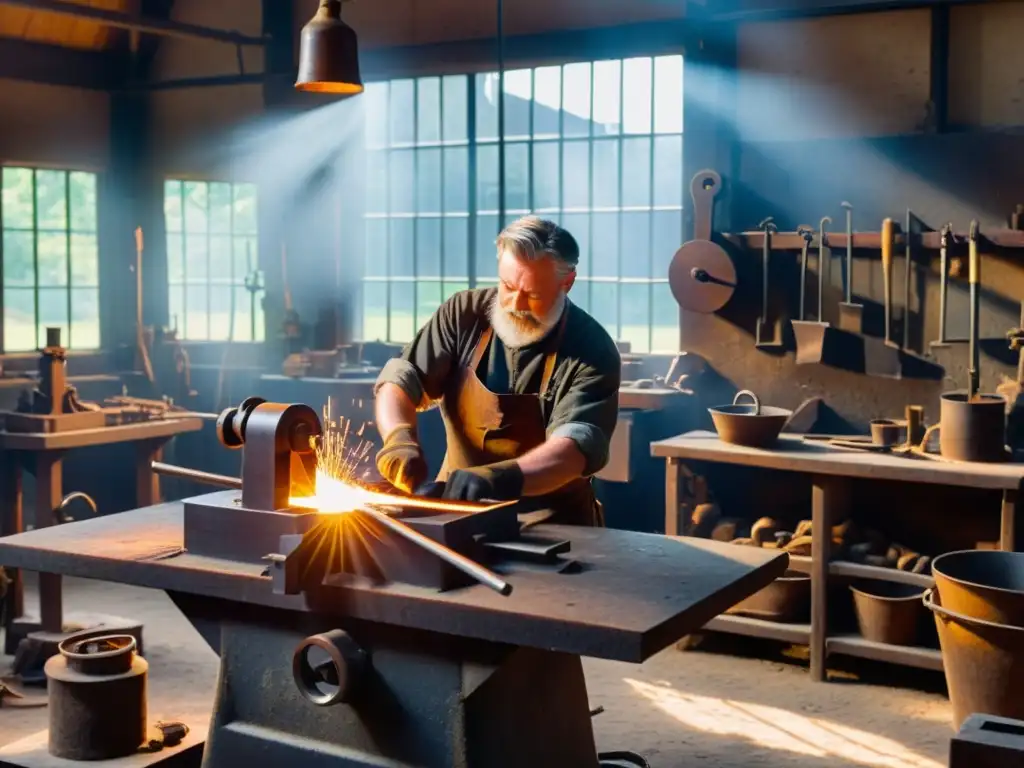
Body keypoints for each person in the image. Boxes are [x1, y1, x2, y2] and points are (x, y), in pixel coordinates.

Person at [372, 215, 621, 526]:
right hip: (455, 514)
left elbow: (574, 449)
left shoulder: (591, 348)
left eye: (533, 294)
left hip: (555, 527)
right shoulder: (463, 314)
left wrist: (499, 478)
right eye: (507, 286)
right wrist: (399, 439)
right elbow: (399, 381)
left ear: (566, 283)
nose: (516, 304)